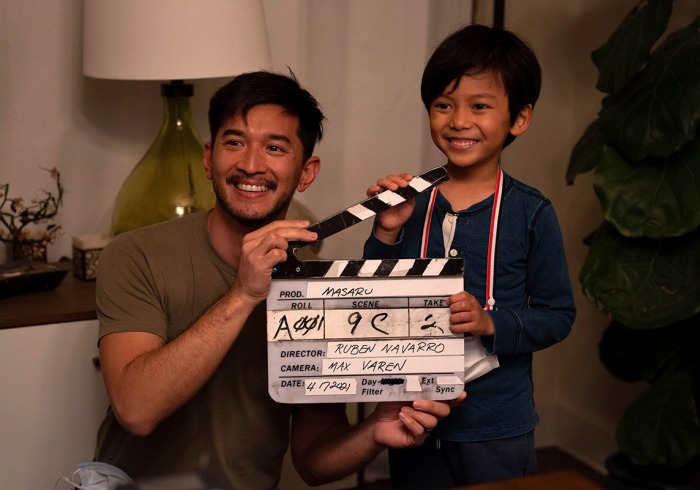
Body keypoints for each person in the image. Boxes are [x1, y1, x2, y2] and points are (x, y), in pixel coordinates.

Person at [93, 71, 465, 489]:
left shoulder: (314, 291)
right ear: (208, 157)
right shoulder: (134, 255)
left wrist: (374, 431)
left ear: (306, 172)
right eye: (234, 143)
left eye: (274, 147)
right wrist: (244, 293)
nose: (251, 165)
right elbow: (136, 409)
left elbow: (313, 461)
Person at [363, 24, 576, 488]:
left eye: (480, 105)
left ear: (518, 118)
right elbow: (373, 297)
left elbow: (558, 315)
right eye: (443, 104)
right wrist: (385, 230)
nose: (458, 120)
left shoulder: (532, 212)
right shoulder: (409, 202)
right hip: (413, 418)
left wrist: (491, 324)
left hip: (497, 428)